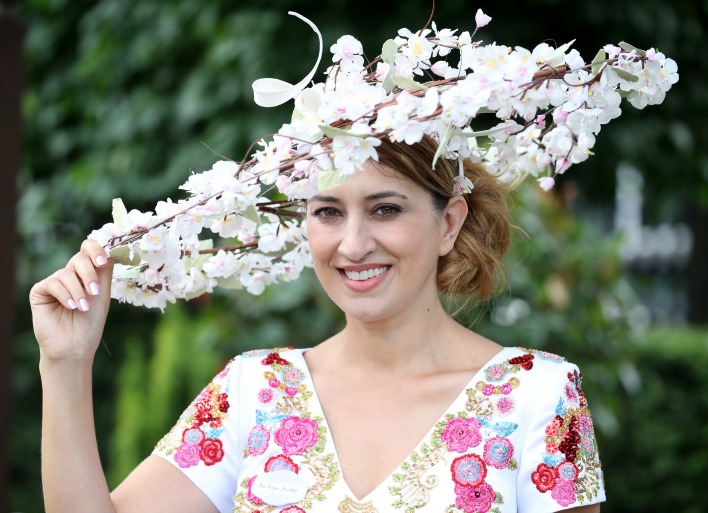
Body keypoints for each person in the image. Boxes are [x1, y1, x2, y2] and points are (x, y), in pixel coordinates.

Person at [30, 136, 606, 512]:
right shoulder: (254, 391)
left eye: (386, 209)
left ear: (449, 223)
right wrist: (65, 362)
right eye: (328, 212)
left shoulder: (537, 396)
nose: (353, 245)